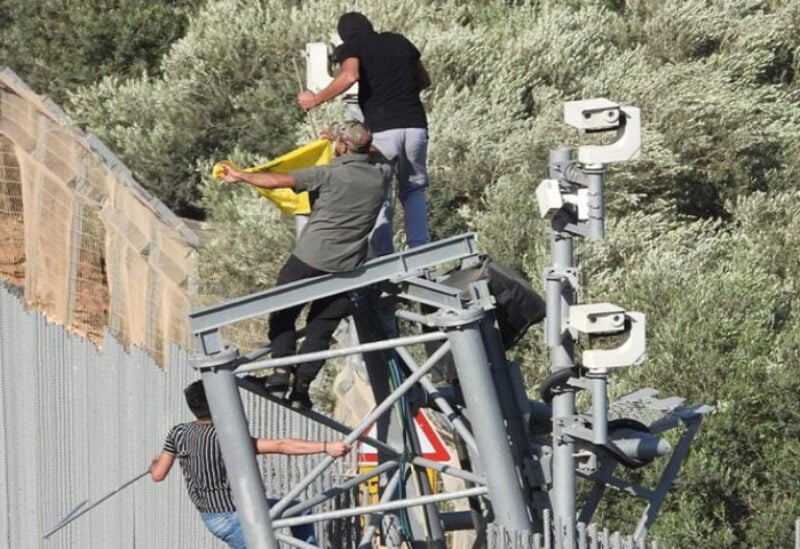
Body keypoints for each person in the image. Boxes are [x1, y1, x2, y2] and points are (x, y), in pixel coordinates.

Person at [217, 120, 387, 408]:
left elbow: (279, 180)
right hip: (348, 268)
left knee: (282, 313)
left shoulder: (330, 173)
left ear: (343, 146)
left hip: (309, 258)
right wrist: (344, 141)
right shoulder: (379, 178)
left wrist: (242, 176)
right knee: (321, 328)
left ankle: (281, 372)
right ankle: (301, 391)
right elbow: (378, 154)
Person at [150, 380, 352, 549]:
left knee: (299, 509)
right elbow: (281, 445)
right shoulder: (226, 436)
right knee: (298, 511)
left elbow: (158, 474)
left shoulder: (178, 433)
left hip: (212, 517)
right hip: (237, 514)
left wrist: (155, 464)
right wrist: (326, 446)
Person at [297, 12, 432, 257]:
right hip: (415, 126)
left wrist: (315, 100)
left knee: (379, 192)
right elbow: (424, 80)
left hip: (382, 130)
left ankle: (384, 258)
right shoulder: (400, 41)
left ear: (344, 36)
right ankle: (420, 254)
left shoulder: (353, 46)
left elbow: (350, 75)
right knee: (413, 190)